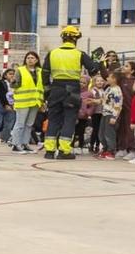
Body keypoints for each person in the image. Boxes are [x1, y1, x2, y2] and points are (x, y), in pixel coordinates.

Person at [41, 26, 98, 160]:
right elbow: (94, 71)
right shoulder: (80, 54)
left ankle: (49, 150)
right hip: (72, 89)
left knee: (53, 119)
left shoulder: (52, 53)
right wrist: (98, 62)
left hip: (55, 88)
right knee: (69, 119)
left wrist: (47, 90)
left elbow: (44, 73)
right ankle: (64, 150)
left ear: (63, 38)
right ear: (76, 38)